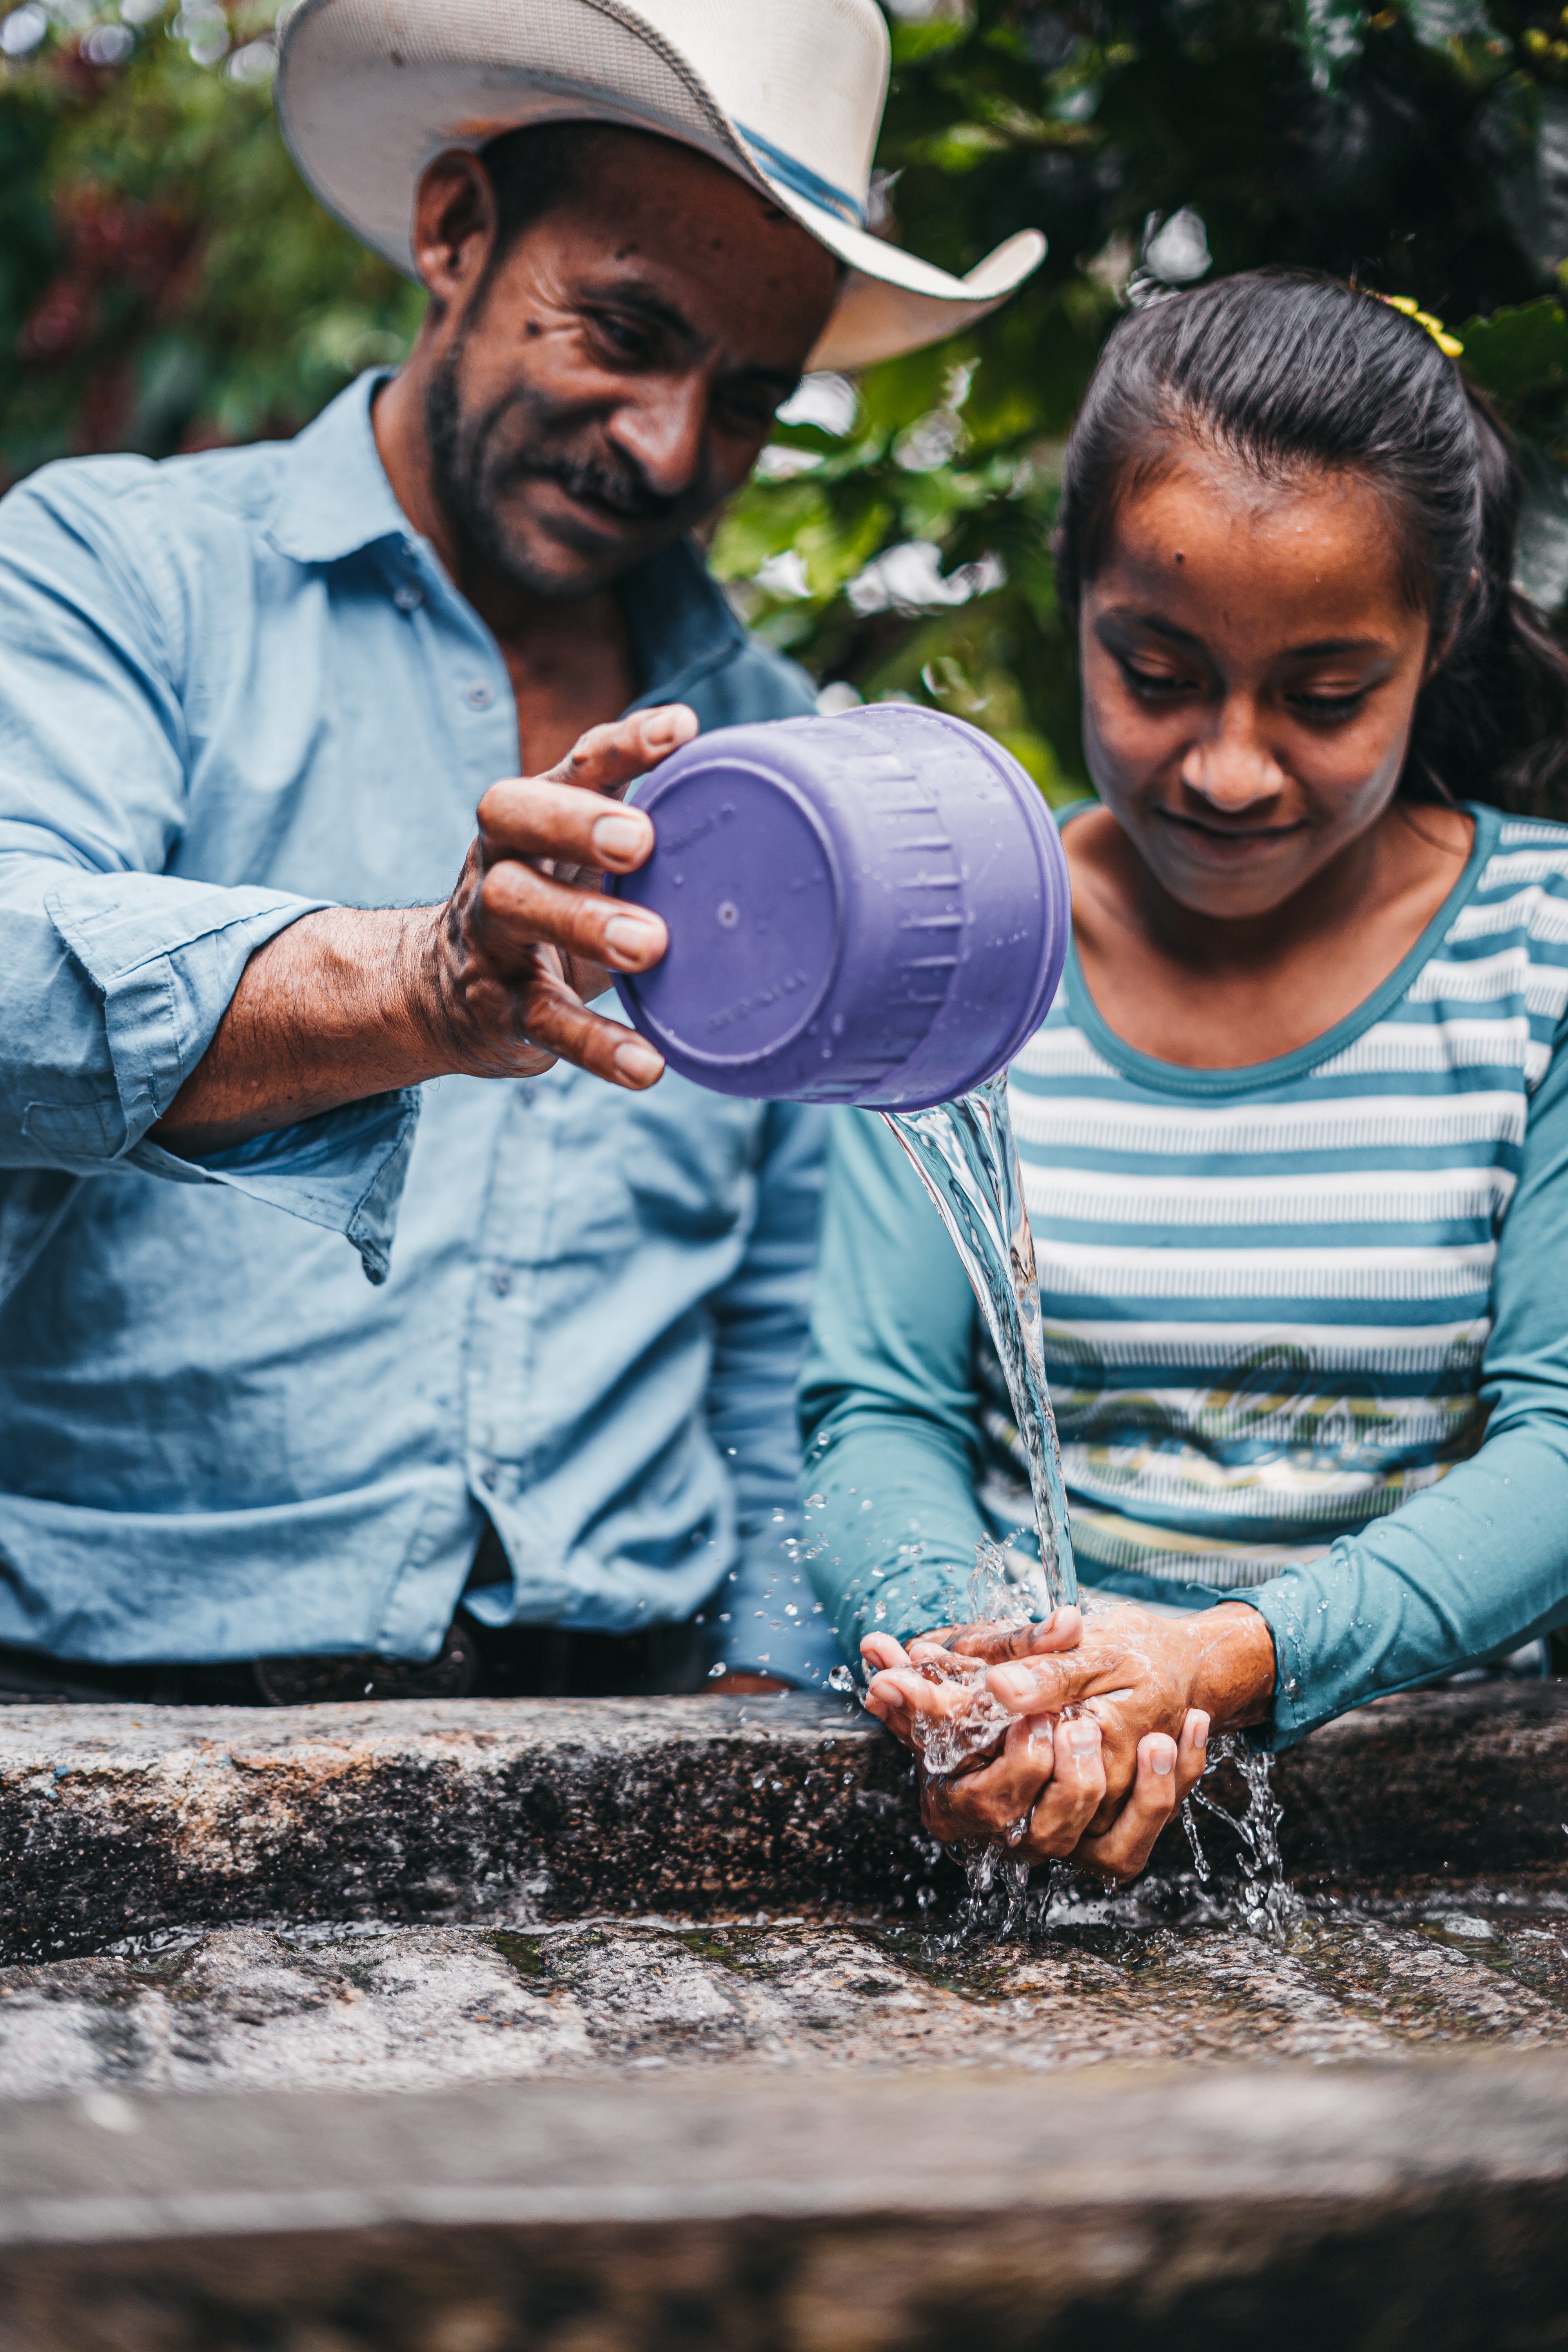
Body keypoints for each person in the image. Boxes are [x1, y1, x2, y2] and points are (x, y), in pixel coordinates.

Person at [0, 0, 1042, 1705]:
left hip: (625, 1719)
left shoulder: (789, 763)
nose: (669, 448)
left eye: (746, 399)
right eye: (624, 331)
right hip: (108, 1702)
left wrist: (767, 1685)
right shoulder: (119, 575)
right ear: (456, 231)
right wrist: (418, 983)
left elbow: (787, 1313)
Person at [800, 269, 1568, 1876]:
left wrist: (1219, 1661)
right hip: (1026, 1779)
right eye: (1156, 676)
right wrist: (982, 1679)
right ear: (1072, 600)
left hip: (1444, 1826)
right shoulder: (953, 949)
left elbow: (1559, 1443)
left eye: (1324, 696)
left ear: (1440, 641)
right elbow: (878, 1410)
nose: (1226, 763)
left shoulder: (1542, 959)